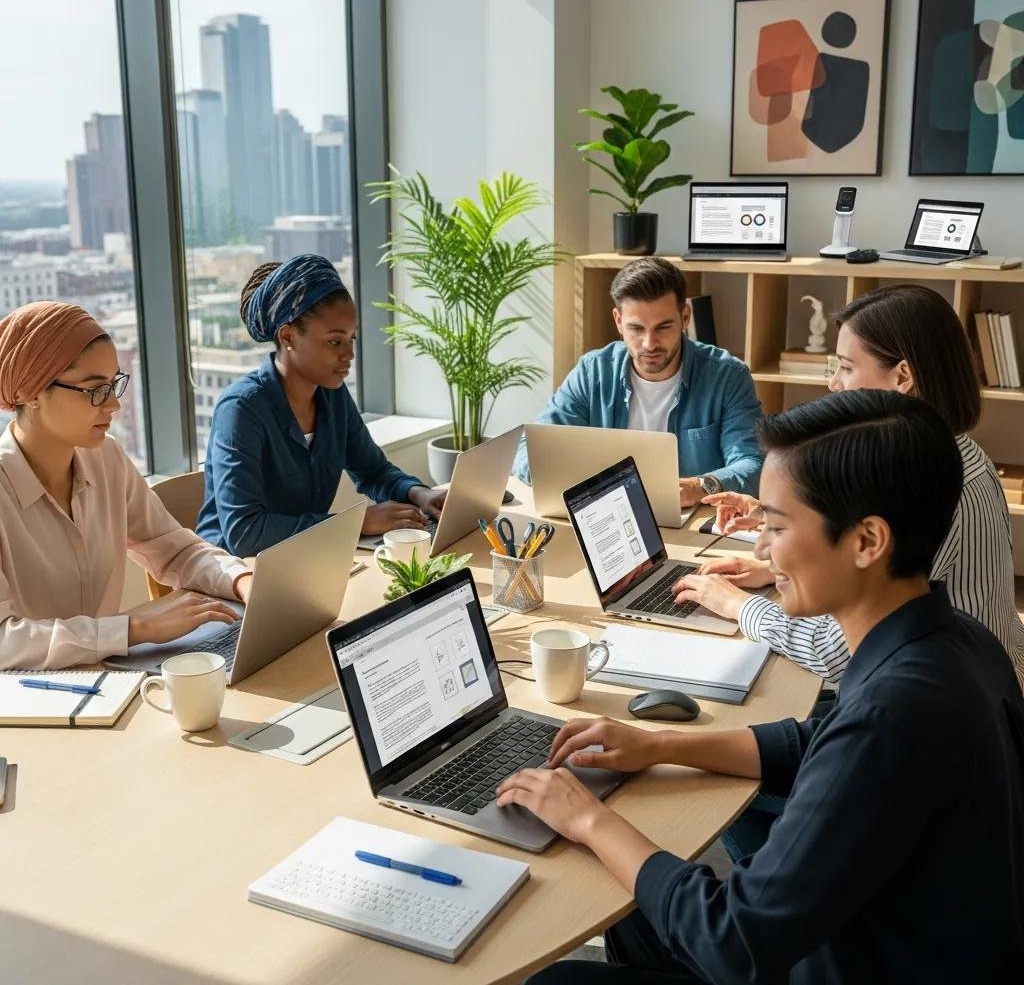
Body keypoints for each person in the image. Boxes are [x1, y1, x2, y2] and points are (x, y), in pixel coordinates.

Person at [501, 390, 1024, 984]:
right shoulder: (962, 643)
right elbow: (815, 742)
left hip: (841, 964)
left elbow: (733, 940)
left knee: (557, 976)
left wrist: (588, 818)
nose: (760, 548)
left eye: (776, 526)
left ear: (867, 541)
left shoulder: (893, 715)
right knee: (632, 906)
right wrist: (661, 745)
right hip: (904, 943)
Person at [673, 284, 1024, 690]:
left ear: (903, 376)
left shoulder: (920, 482)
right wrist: (776, 569)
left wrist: (736, 604)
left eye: (846, 366)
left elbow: (835, 652)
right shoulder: (953, 452)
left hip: (960, 698)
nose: (833, 384)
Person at [0, 302, 252, 671]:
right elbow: (5, 641)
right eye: (95, 390)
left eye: (114, 383)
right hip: (28, 706)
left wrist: (243, 581)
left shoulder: (106, 458)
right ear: (31, 392)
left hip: (111, 683)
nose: (114, 404)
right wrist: (133, 628)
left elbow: (174, 550)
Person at [196, 255, 446, 556]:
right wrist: (356, 523)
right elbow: (245, 533)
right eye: (334, 342)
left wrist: (419, 494)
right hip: (233, 578)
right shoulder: (241, 410)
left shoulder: (332, 395)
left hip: (305, 559)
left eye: (352, 339)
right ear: (288, 336)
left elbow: (373, 471)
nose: (349, 354)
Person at [512, 257, 763, 505]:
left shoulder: (728, 376)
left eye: (663, 327)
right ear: (619, 321)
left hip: (692, 523)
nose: (649, 343)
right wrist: (582, 485)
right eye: (637, 328)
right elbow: (530, 448)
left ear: (685, 317)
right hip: (608, 517)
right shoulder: (593, 372)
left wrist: (699, 487)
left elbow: (753, 463)